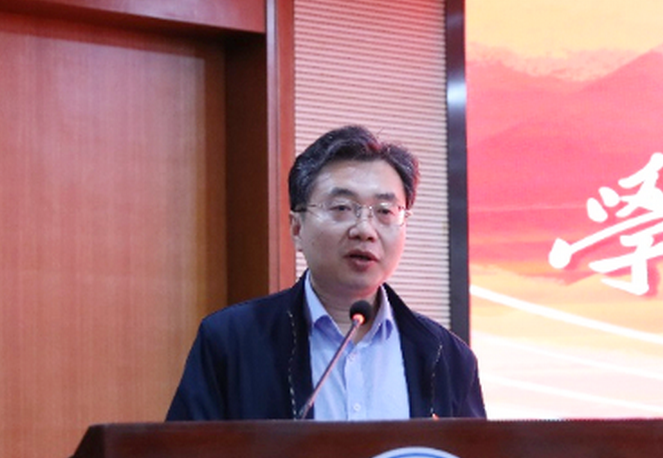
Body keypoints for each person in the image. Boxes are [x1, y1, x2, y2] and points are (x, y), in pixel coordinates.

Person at [166, 125, 485, 421]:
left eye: (385, 211)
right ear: (296, 228)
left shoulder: (448, 357)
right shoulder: (230, 341)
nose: (364, 230)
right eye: (342, 208)